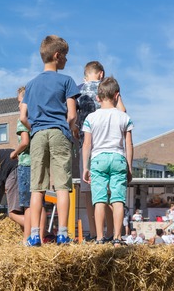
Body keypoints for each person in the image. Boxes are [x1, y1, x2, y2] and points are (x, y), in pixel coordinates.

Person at [20, 35, 79, 246]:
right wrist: (69, 128)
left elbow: (22, 117)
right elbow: (72, 115)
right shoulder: (67, 81)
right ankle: (62, 233)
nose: (66, 60)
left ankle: (34, 234)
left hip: (37, 135)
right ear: (57, 55)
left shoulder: (31, 84)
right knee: (63, 185)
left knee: (38, 187)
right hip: (58, 132)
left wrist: (34, 128)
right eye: (65, 56)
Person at [77, 61, 126, 241]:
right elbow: (123, 111)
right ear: (101, 74)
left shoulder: (78, 91)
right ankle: (112, 232)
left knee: (92, 192)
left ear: (86, 74)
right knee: (113, 193)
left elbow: (74, 119)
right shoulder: (108, 89)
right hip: (112, 150)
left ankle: (94, 233)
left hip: (88, 147)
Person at [82, 76, 134, 247]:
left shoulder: (91, 118)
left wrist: (85, 167)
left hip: (98, 159)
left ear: (98, 98)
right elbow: (129, 144)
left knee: (99, 200)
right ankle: (117, 238)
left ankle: (98, 238)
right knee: (118, 200)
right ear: (117, 95)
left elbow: (87, 144)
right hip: (118, 158)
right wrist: (129, 167)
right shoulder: (124, 117)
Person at [10, 86, 47, 244]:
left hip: (26, 164)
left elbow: (24, 142)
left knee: (27, 203)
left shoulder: (22, 119)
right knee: (40, 202)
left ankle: (27, 238)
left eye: (20, 102)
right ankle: (41, 236)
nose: (18, 105)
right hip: (40, 163)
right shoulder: (39, 118)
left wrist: (14, 153)